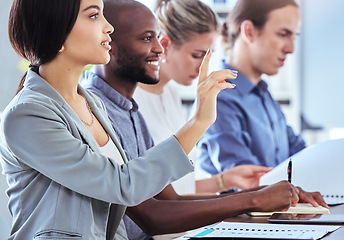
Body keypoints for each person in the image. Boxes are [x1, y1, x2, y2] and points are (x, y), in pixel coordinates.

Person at [83, 0, 328, 239]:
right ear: (107, 44)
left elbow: (173, 197)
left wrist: (262, 193)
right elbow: (152, 215)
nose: (159, 49)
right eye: (148, 39)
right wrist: (253, 198)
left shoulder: (133, 107)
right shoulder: (95, 109)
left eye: (157, 38)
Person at [0, 0, 229, 239]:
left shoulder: (92, 103)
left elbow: (113, 214)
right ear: (57, 29)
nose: (109, 27)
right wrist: (200, 121)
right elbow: (122, 185)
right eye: (93, 16)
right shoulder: (27, 114)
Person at [198, 0, 344, 182]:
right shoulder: (220, 97)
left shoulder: (262, 94)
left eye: (294, 36)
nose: (291, 48)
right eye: (283, 34)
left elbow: (300, 155)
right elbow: (250, 181)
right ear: (249, 32)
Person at [133, 0, 272, 195]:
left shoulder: (170, 93)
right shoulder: (132, 100)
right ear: (164, 44)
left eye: (208, 57)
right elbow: (149, 198)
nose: (202, 69)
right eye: (197, 55)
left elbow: (179, 190)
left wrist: (224, 181)